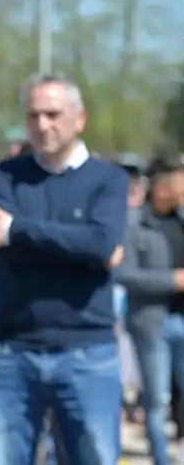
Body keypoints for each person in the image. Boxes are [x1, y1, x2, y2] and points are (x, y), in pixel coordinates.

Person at [0, 73, 127, 465]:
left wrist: (17, 230)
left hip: (87, 353)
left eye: (53, 114)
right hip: (12, 351)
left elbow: (100, 244)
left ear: (80, 118)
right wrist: (76, 247)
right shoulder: (8, 174)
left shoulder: (107, 179)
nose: (42, 124)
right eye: (34, 115)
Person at [118, 157, 184, 465]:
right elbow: (124, 274)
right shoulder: (133, 223)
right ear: (160, 187)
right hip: (152, 324)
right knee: (156, 400)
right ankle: (161, 459)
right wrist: (171, 280)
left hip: (181, 320)